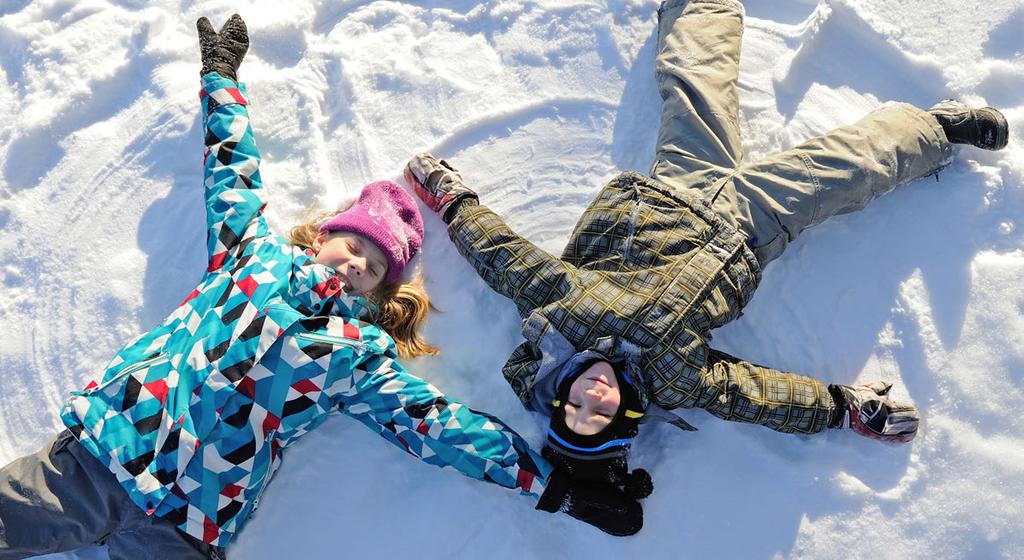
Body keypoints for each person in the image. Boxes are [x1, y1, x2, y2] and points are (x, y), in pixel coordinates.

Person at [0, 15, 644, 560]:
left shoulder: (353, 354)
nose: (359, 263)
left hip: (190, 521)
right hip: (109, 454)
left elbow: (436, 424)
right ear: (321, 240)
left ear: (380, 292)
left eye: (375, 267)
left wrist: (550, 487)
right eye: (354, 245)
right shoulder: (251, 259)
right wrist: (221, 81)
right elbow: (232, 175)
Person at [405, 0, 1009, 501]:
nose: (591, 397)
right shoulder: (675, 380)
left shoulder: (559, 318)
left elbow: (504, 258)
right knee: (844, 170)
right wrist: (840, 409)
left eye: (575, 410)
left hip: (668, 193)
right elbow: (751, 394)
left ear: (560, 395)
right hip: (746, 231)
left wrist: (453, 200)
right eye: (600, 416)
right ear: (625, 416)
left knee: (693, 84)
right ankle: (939, 130)